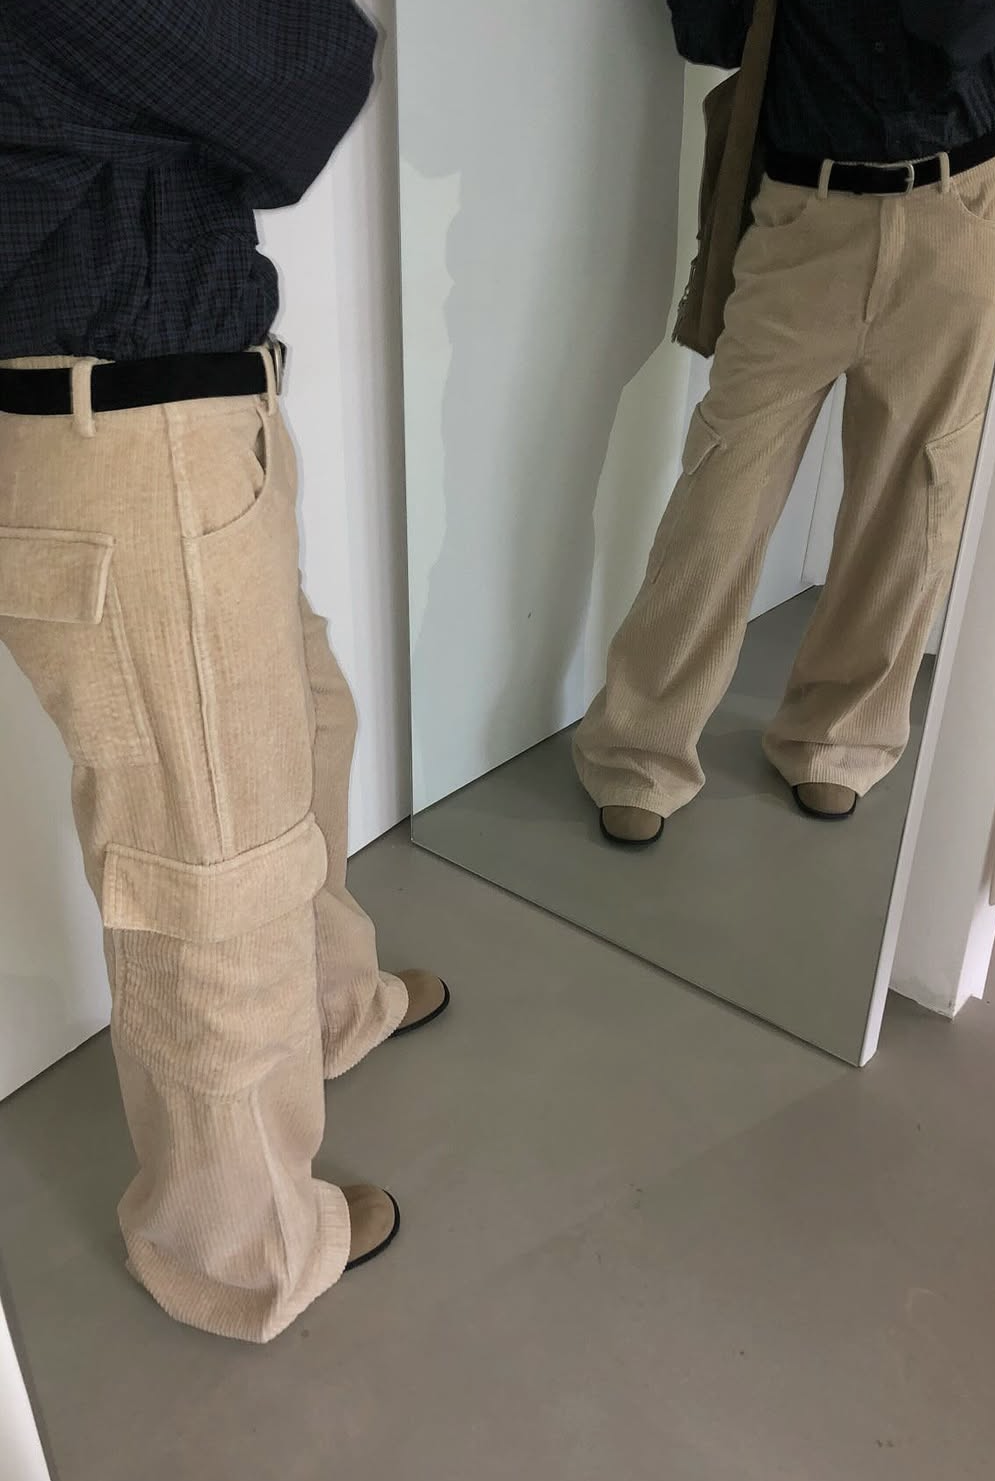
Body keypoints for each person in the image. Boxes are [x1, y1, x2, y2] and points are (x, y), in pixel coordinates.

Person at [0, 0, 449, 1343]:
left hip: (185, 408)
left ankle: (326, 1006)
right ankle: (240, 1247)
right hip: (128, 432)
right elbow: (308, 78)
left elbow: (263, 102)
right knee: (210, 862)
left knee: (306, 726)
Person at [575, 0, 995, 845]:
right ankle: (640, 746)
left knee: (916, 493)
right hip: (799, 214)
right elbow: (709, 34)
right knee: (723, 482)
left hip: (955, 210)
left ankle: (839, 738)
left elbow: (954, 30)